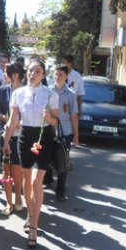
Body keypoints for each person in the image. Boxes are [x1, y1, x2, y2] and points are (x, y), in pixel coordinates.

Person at [3, 59, 59, 248]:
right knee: (26, 181)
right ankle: (30, 213)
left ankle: (34, 225)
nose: (32, 73)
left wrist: (49, 116)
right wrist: (5, 141)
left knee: (36, 181)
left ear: (43, 75)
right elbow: (12, 120)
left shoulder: (50, 93)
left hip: (43, 136)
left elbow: (55, 121)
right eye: (30, 70)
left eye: (37, 71)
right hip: (25, 136)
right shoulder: (18, 93)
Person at [47, 64, 80, 202]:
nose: (58, 76)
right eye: (56, 73)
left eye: (61, 74)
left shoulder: (71, 94)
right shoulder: (47, 91)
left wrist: (76, 135)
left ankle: (60, 190)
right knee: (45, 158)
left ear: (66, 76)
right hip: (48, 131)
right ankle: (47, 180)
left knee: (63, 162)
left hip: (64, 133)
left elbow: (73, 115)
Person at [0, 63, 25, 215]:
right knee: (6, 170)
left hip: (21, 136)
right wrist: (4, 118)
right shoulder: (2, 90)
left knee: (17, 170)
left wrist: (20, 123)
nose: (3, 75)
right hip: (5, 134)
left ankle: (19, 197)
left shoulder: (27, 91)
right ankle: (9, 203)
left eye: (6, 73)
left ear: (14, 75)